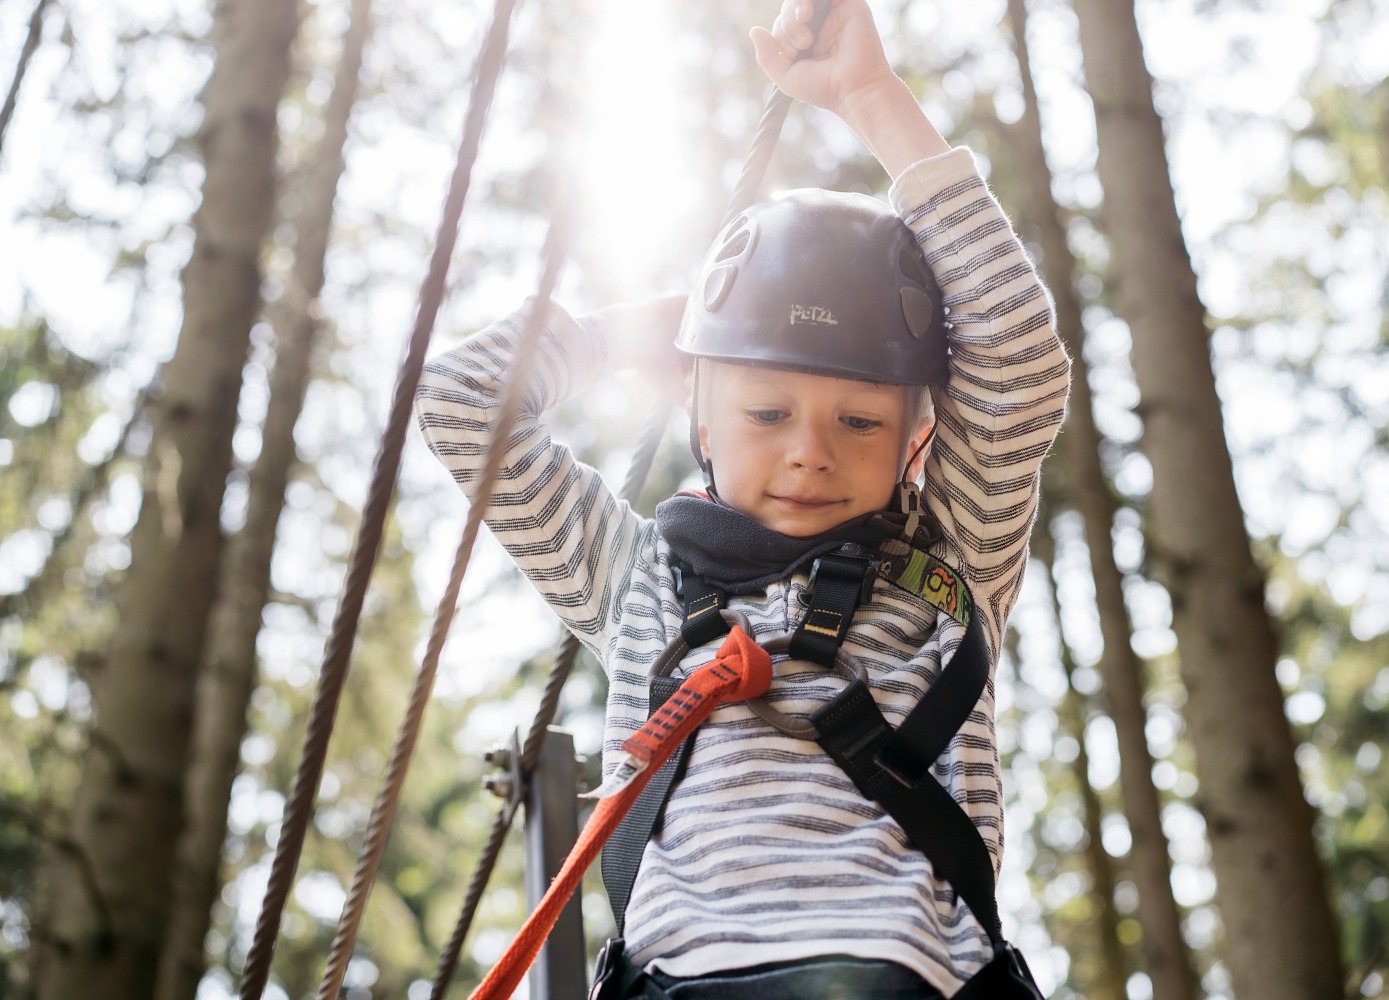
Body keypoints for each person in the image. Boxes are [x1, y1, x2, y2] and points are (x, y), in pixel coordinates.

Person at [416, 0, 1071, 995]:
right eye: (766, 412)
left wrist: (870, 98)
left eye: (857, 424)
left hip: (899, 974)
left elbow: (1018, 361)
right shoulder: (639, 580)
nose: (809, 455)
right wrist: (619, 334)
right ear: (702, 422)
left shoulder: (949, 552)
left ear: (918, 440)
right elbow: (463, 404)